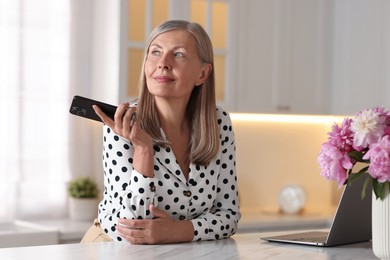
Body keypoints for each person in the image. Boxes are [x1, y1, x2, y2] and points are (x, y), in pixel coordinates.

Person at [92, 19, 240, 245]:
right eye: (155, 52)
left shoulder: (218, 122)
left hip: (178, 250)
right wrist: (143, 149)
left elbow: (229, 216)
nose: (163, 63)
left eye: (178, 54)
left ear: (202, 73)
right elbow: (131, 228)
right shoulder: (121, 124)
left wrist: (177, 231)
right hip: (112, 248)